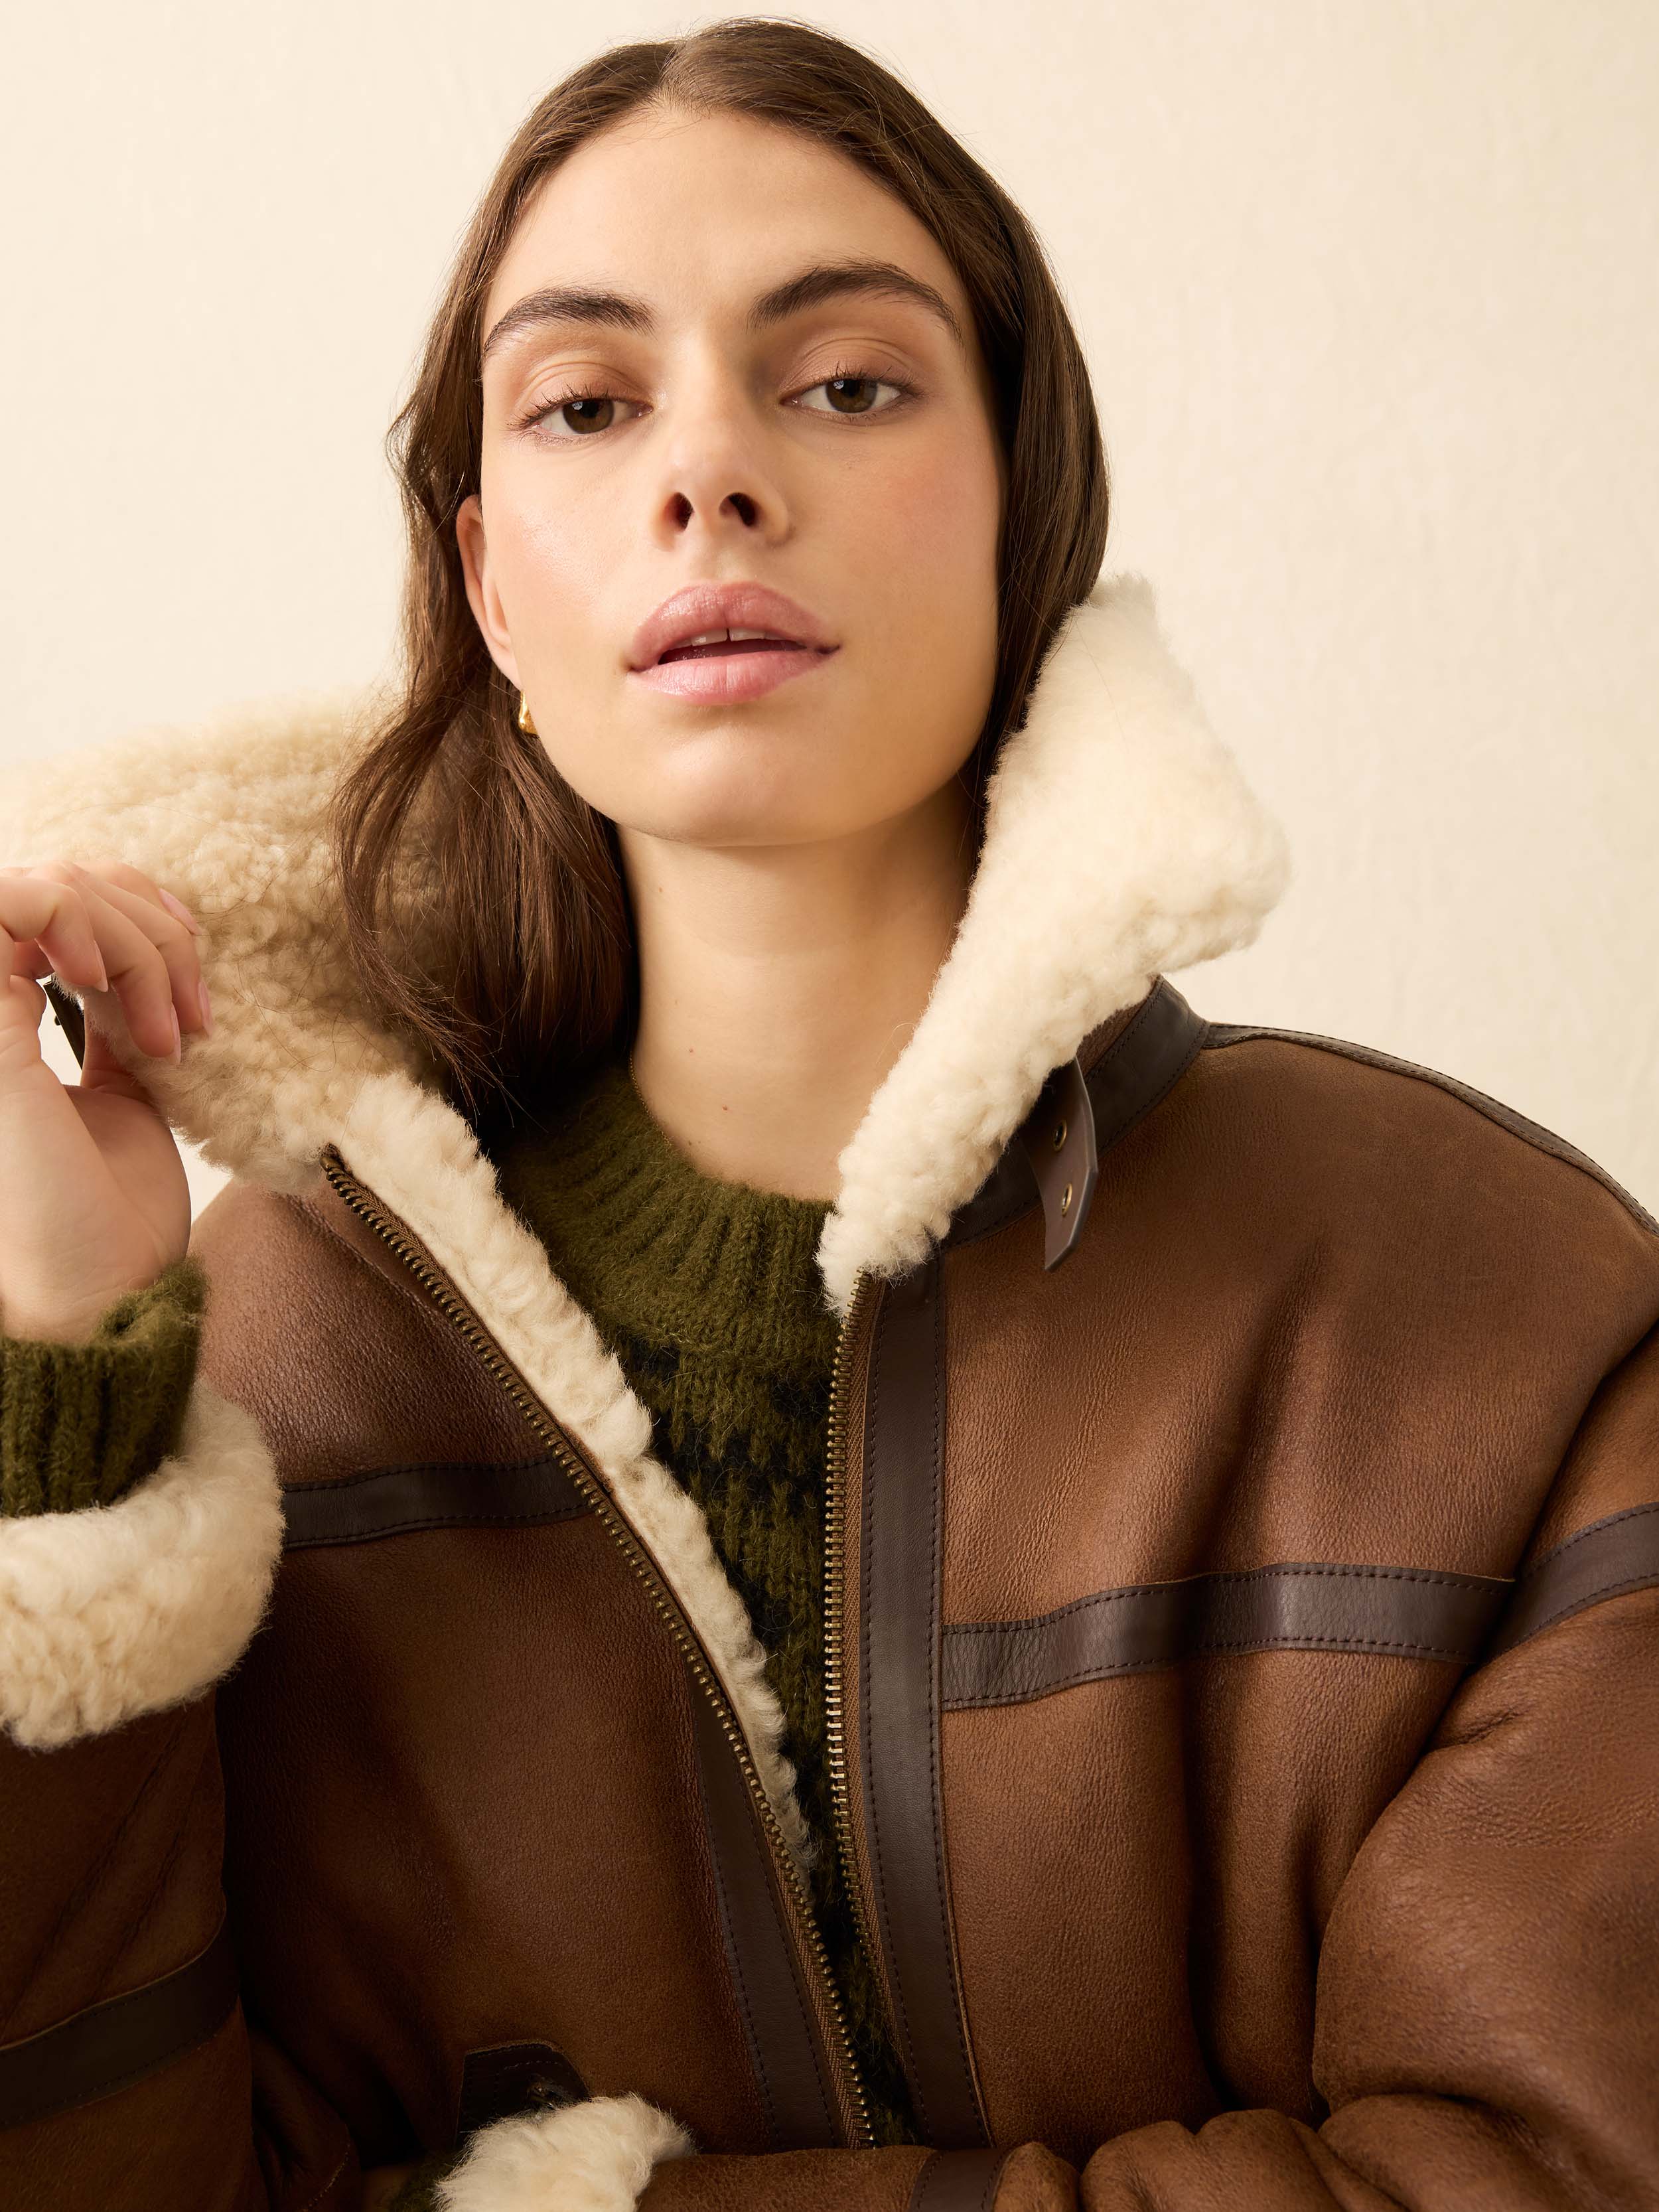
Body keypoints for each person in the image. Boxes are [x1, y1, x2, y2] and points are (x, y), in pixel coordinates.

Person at [3, 19, 1656, 2212]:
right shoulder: (276, 1367)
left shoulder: (1488, 1307)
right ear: (494, 586)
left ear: (1016, 505)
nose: (711, 475)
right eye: (590, 404)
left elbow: (1551, 2175)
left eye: (848, 383)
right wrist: (54, 1380)